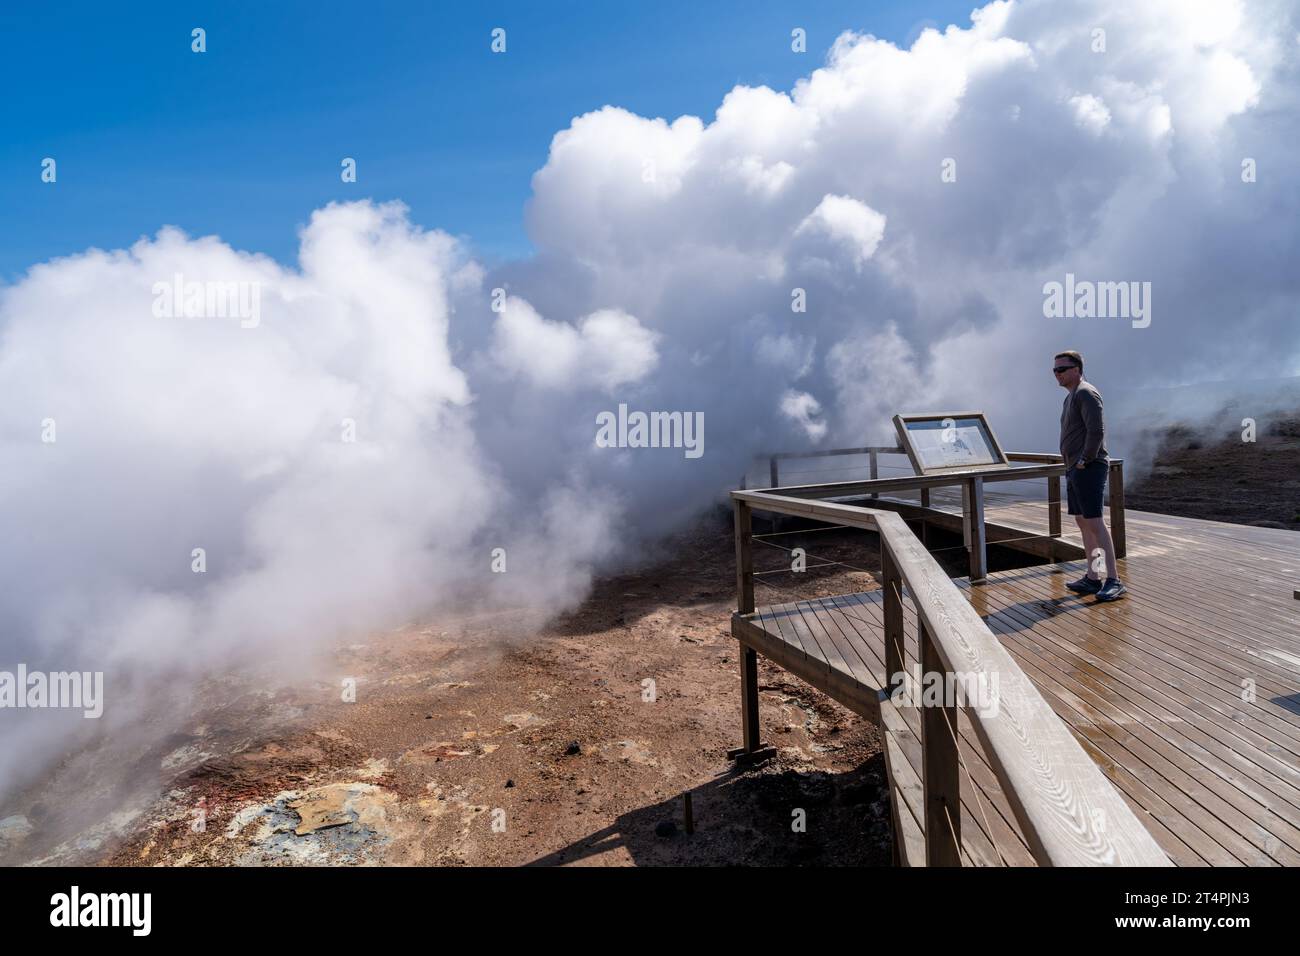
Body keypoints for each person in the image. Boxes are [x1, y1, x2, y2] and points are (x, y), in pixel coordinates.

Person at [1054, 350, 1126, 601]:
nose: (1056, 374)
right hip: (1075, 468)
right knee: (1083, 522)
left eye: (1061, 369)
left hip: (1088, 467)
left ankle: (1114, 580)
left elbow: (1096, 430)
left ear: (1076, 369)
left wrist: (1085, 459)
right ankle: (1094, 577)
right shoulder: (1070, 397)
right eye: (1054, 370)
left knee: (1095, 522)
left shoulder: (1086, 392)